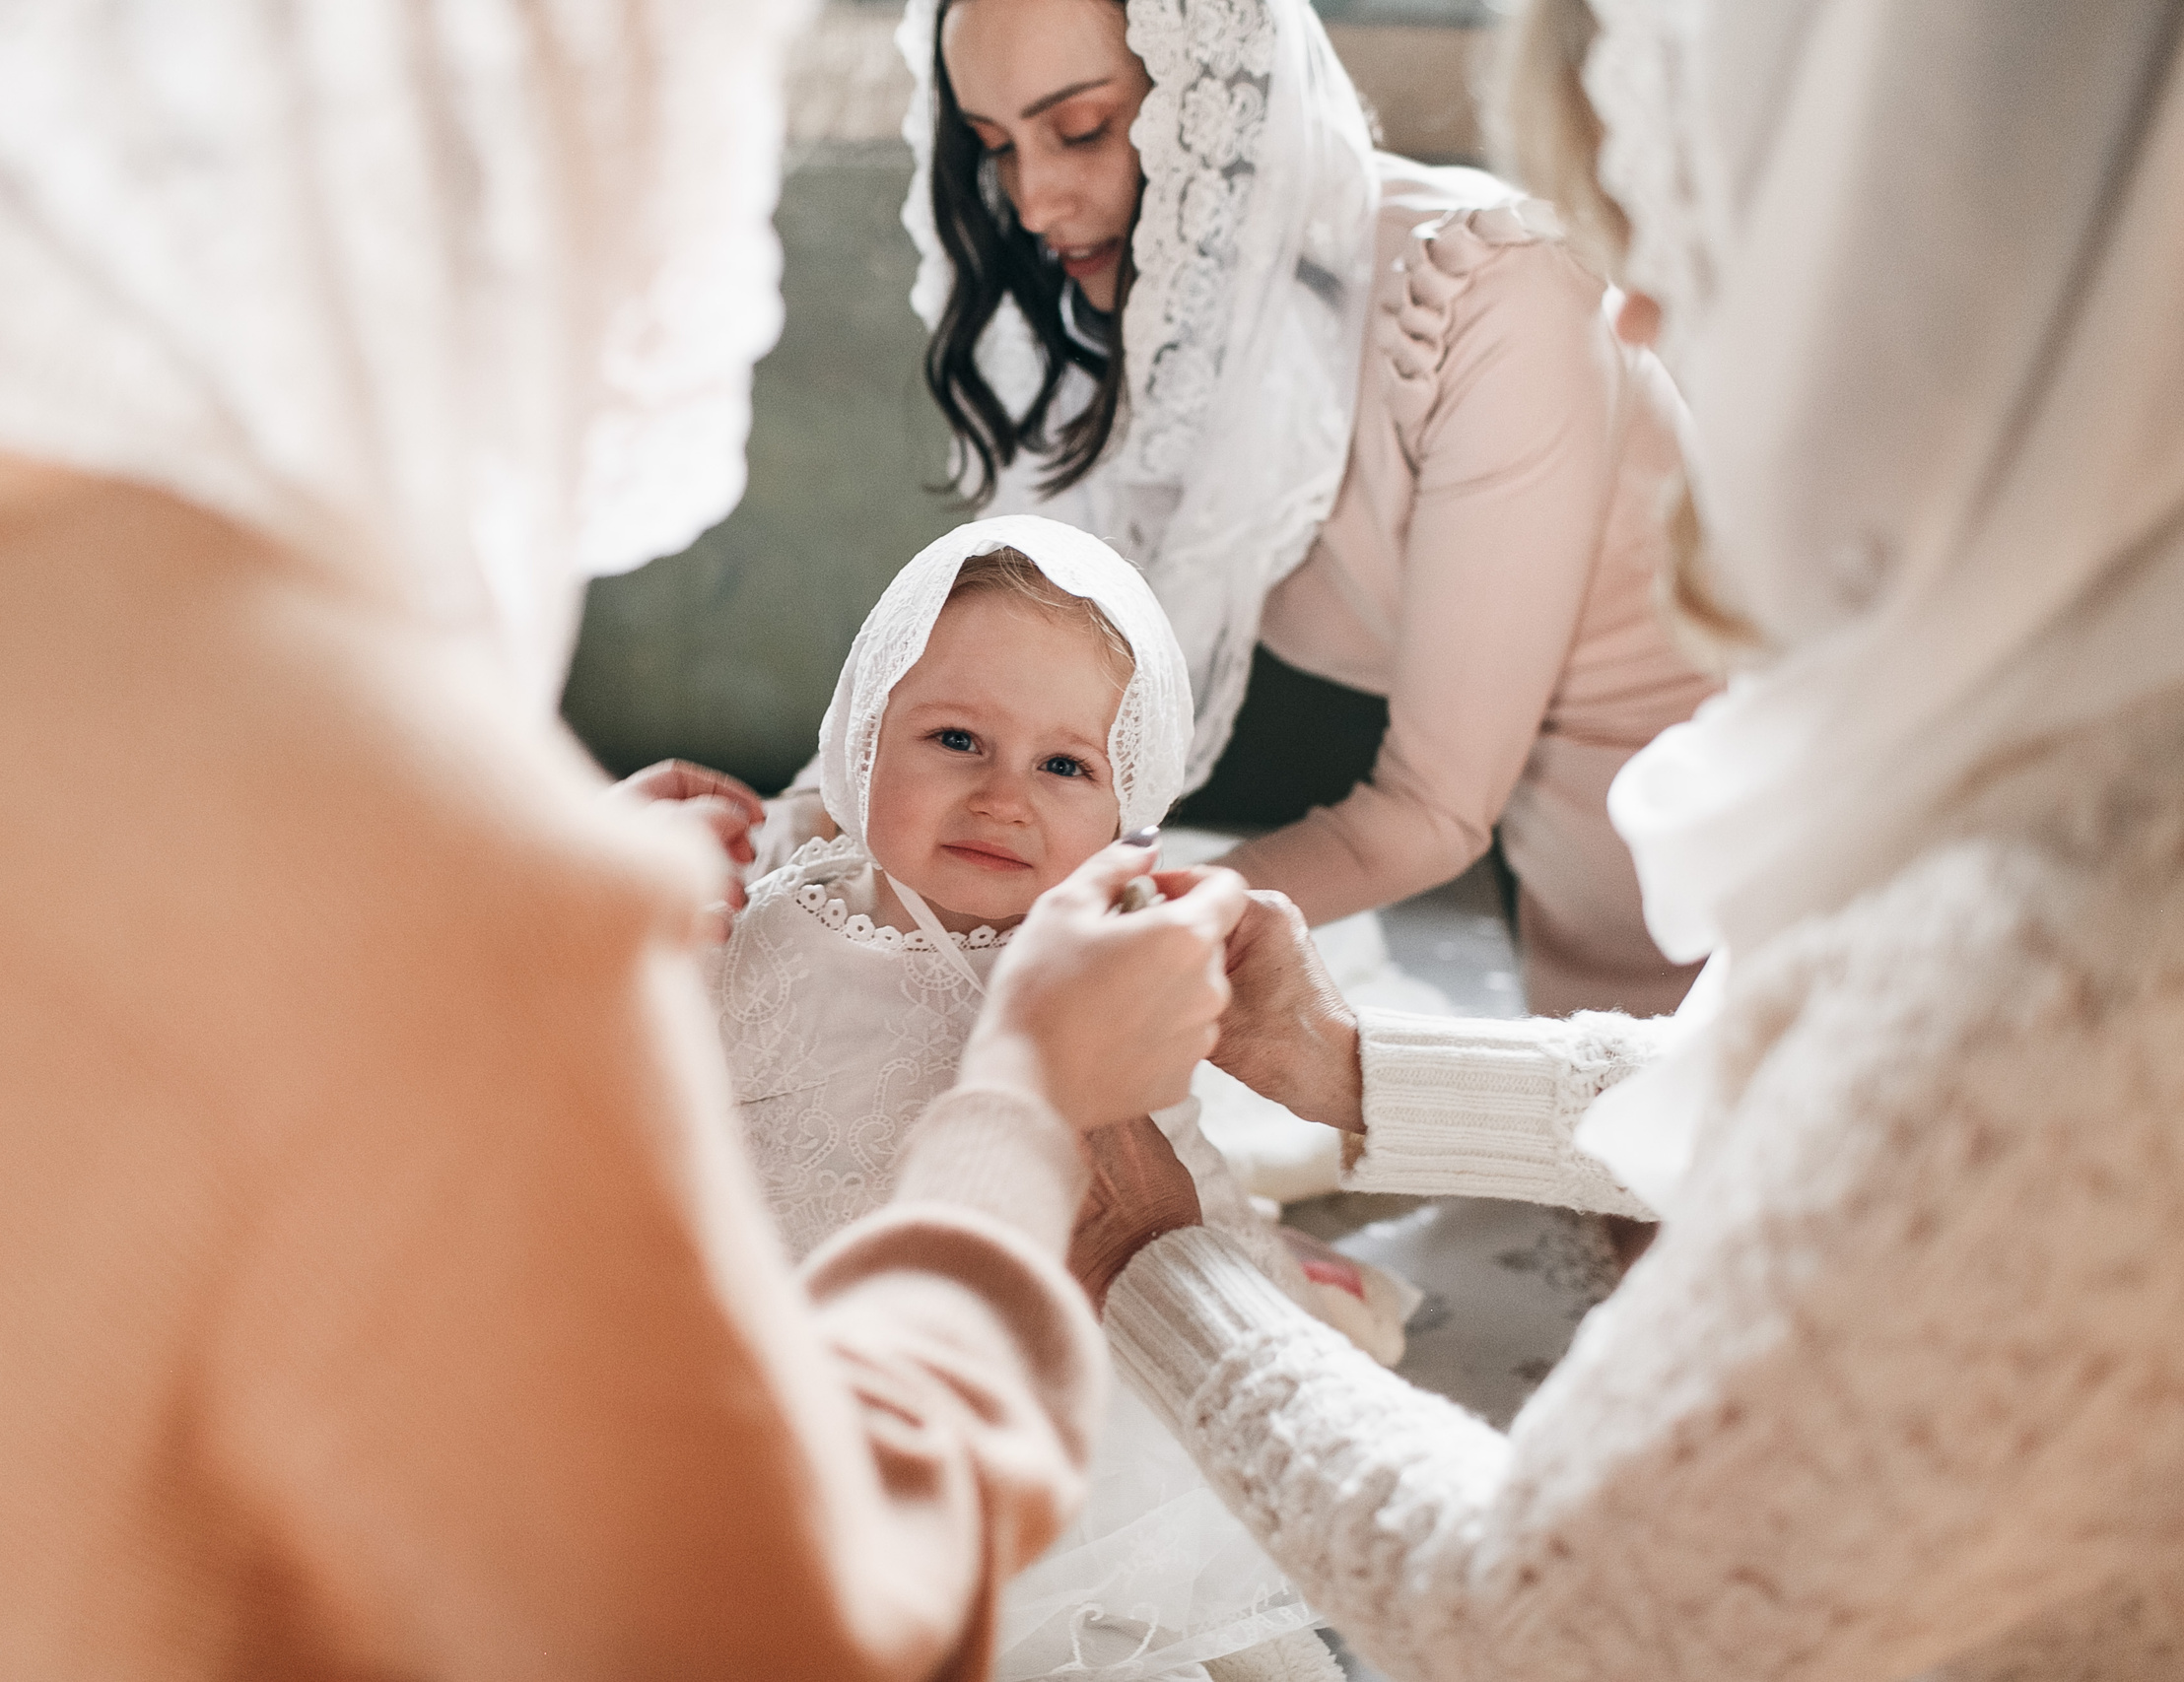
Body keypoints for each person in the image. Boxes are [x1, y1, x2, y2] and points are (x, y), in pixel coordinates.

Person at [0, 6, 1256, 1678]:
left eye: (1067, 760)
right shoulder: (412, 862)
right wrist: (1021, 1103)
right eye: (954, 737)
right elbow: (766, 1628)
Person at [1065, 0, 2184, 1675]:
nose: (1637, 312)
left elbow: (1547, 1612)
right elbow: (1786, 1092)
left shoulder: (2062, 949)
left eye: (1698, 229)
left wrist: (1144, 1253)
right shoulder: (2044, 719)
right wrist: (1347, 1065)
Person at [880, 0, 1723, 1017]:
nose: (1033, 200)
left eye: (1082, 129)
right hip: (1546, 861)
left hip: (1719, 843)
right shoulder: (1142, 328)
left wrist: (1098, 940)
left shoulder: (1488, 303)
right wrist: (797, 841)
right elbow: (985, 679)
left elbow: (1429, 812)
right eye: (995, 148)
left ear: (1215, 101)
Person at [721, 514, 1407, 1680]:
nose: (1002, 798)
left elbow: (1169, 1159)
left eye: (1063, 765)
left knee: (1176, 1617)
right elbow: (686, 1112)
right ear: (858, 742)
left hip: (1062, 1368)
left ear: (1127, 809)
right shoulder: (788, 927)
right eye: (953, 738)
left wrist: (1264, 1277)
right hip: (839, 1346)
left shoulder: (1114, 960)